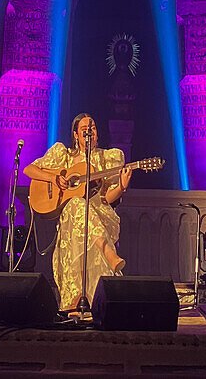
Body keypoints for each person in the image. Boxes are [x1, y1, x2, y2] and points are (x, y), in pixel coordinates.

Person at [24, 113, 132, 311]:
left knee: (79, 206)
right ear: (76, 135)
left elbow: (106, 199)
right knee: (75, 204)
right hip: (72, 217)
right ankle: (102, 254)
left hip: (100, 213)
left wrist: (121, 187)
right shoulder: (64, 156)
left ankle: (88, 297)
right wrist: (54, 178)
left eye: (93, 127)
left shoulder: (107, 158)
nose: (89, 130)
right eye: (84, 128)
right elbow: (29, 170)